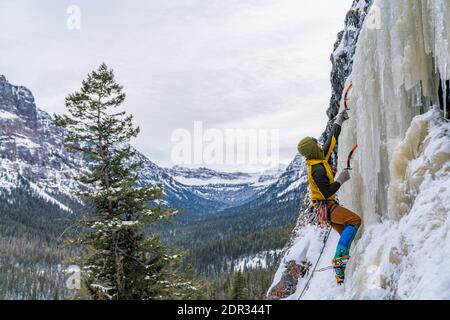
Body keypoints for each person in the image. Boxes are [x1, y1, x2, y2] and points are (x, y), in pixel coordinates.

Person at [297, 109, 361, 285]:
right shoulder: (317, 168)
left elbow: (331, 141)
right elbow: (327, 192)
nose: (319, 144)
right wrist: (340, 179)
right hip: (326, 207)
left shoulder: (319, 158)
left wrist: (338, 122)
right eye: (315, 143)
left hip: (325, 207)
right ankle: (339, 263)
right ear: (312, 148)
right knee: (355, 221)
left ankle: (342, 274)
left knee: (346, 235)